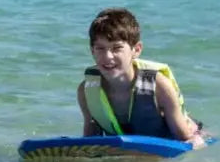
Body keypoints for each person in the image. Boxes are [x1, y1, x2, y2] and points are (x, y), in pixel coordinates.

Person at [77, 8, 205, 147]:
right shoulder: (86, 91)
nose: (108, 56)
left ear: (136, 50)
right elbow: (90, 141)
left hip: (173, 138)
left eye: (117, 48)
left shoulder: (159, 86)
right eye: (100, 48)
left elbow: (185, 139)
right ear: (92, 51)